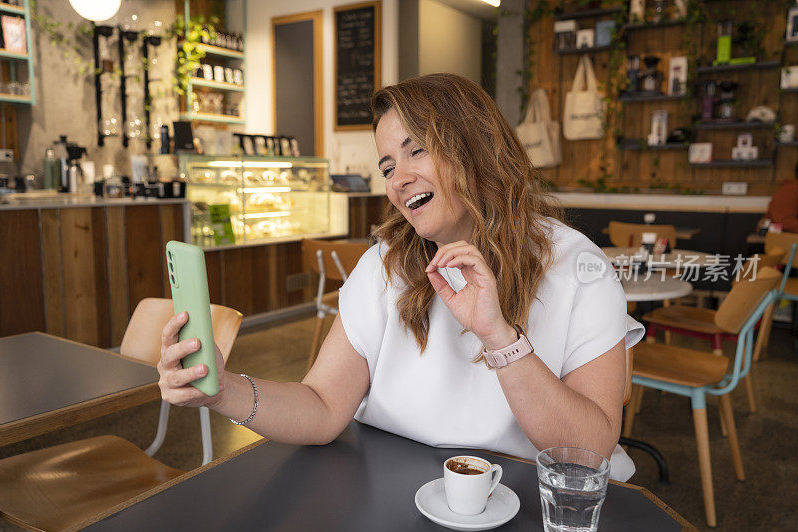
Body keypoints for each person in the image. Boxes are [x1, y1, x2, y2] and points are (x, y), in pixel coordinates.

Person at [158, 73, 644, 481]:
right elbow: (323, 406)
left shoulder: (578, 269)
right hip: (393, 488)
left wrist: (500, 337)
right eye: (387, 166)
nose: (397, 180)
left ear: (479, 148)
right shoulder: (385, 265)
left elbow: (592, 449)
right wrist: (223, 390)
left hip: (533, 497)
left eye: (416, 152)